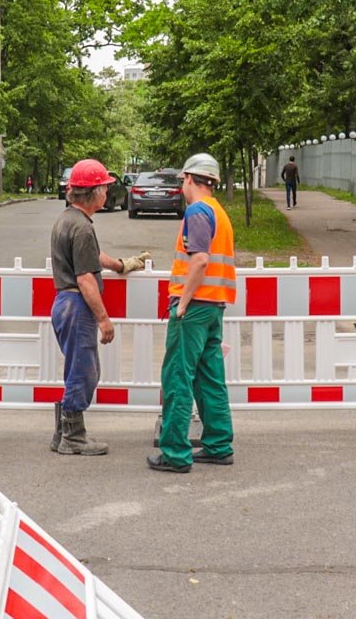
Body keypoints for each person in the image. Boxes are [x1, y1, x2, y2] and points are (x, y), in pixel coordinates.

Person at [49, 159, 150, 455]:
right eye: (104, 187)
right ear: (92, 193)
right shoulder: (81, 227)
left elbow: (92, 256)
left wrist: (120, 265)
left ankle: (62, 434)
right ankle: (73, 438)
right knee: (84, 372)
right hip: (76, 305)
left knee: (78, 369)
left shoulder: (70, 219)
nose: (107, 192)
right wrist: (104, 319)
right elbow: (85, 278)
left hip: (66, 304)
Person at [149, 153, 236, 473]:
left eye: (182, 180)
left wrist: (182, 303)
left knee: (177, 377)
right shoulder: (218, 212)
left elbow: (199, 261)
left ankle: (174, 452)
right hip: (214, 307)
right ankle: (218, 444)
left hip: (195, 308)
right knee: (210, 378)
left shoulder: (197, 211)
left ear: (188, 179)